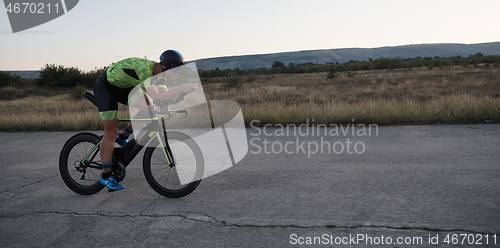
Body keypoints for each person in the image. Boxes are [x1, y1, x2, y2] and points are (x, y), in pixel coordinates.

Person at [93, 50, 198, 191]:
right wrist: (180, 89)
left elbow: (163, 97)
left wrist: (180, 95)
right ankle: (105, 176)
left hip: (124, 87)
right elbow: (158, 96)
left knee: (150, 107)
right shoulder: (145, 70)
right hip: (106, 87)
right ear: (165, 66)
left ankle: (123, 137)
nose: (177, 74)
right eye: (175, 70)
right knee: (111, 130)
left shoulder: (160, 77)